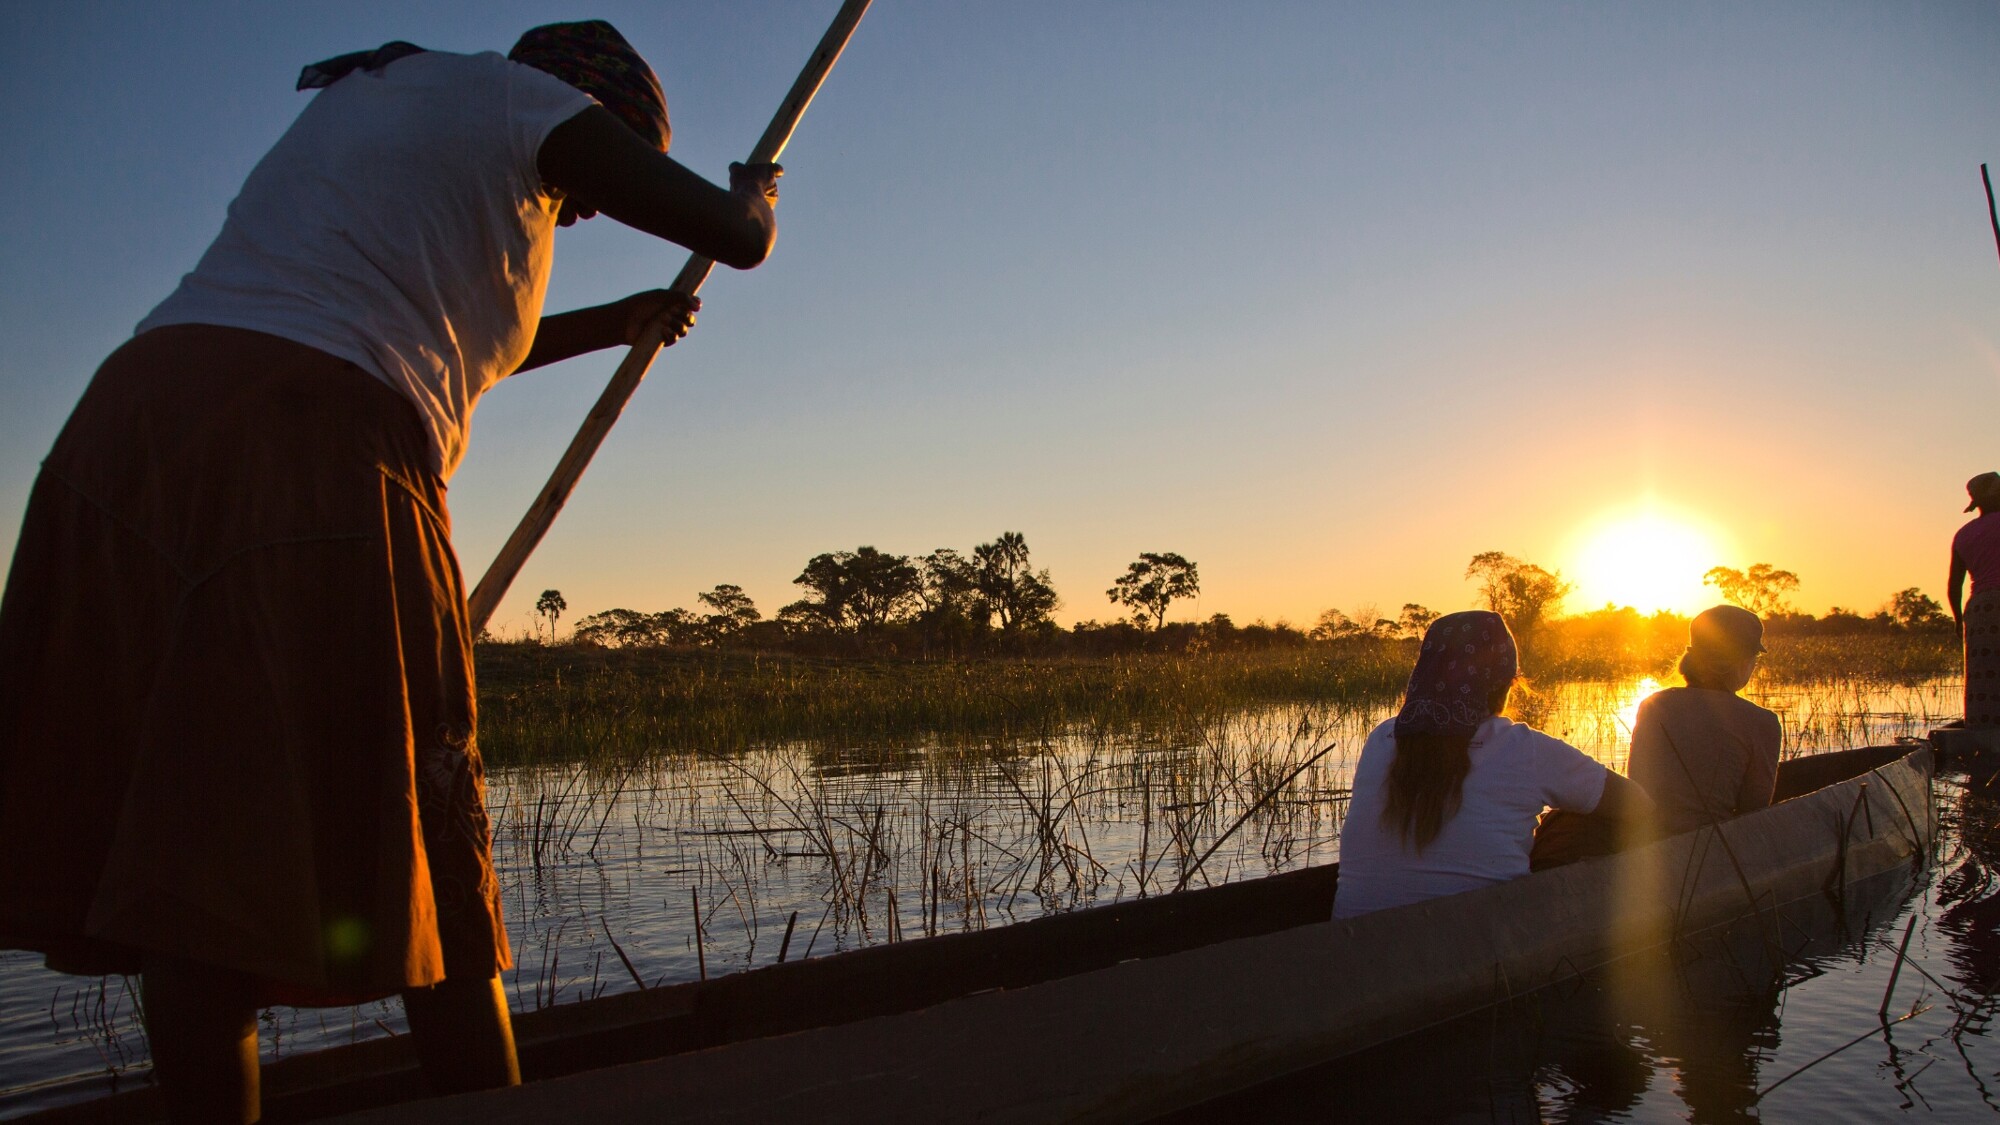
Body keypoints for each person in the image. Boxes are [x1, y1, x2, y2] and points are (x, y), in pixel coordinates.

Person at [0, 21, 780, 1123]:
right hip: (313, 445)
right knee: (430, 810)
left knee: (186, 842)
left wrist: (616, 324)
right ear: (593, 115)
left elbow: (445, 331)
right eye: (599, 179)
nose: (586, 210)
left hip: (127, 438)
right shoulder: (524, 103)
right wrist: (757, 191)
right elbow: (735, 235)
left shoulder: (392, 106)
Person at [1333, 611, 1651, 919]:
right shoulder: (1523, 747)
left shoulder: (1381, 738)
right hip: (1481, 944)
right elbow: (1641, 807)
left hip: (1353, 948)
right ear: (1504, 684)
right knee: (1583, 824)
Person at [1625, 606, 1781, 836]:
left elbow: (1636, 784)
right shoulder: (1762, 722)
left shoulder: (1652, 706)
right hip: (1713, 850)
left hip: (1648, 847)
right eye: (1754, 657)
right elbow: (1754, 813)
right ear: (1742, 662)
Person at [1951, 471, 2000, 726]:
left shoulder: (1963, 534)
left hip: (1980, 609)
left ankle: (1982, 733)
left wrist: (1959, 620)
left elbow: (1954, 586)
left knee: (1984, 675)